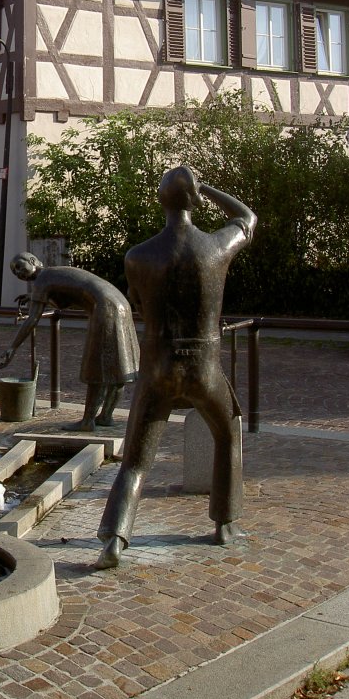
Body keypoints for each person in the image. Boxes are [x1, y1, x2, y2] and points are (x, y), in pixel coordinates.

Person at [96, 166, 256, 568]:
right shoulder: (216, 246)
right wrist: (206, 190)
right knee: (227, 432)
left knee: (135, 460)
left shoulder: (138, 256)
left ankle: (114, 540)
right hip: (204, 369)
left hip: (158, 368)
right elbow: (248, 220)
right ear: (195, 201)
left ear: (161, 202)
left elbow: (136, 300)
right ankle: (224, 523)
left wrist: (189, 191)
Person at [0, 253, 139, 431]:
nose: (18, 273)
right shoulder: (52, 274)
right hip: (120, 304)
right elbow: (64, 298)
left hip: (105, 308)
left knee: (97, 368)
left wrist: (13, 347)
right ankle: (106, 416)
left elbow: (32, 319)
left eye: (19, 266)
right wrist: (34, 297)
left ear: (33, 261)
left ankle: (87, 421)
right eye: (14, 272)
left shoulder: (42, 280)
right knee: (117, 367)